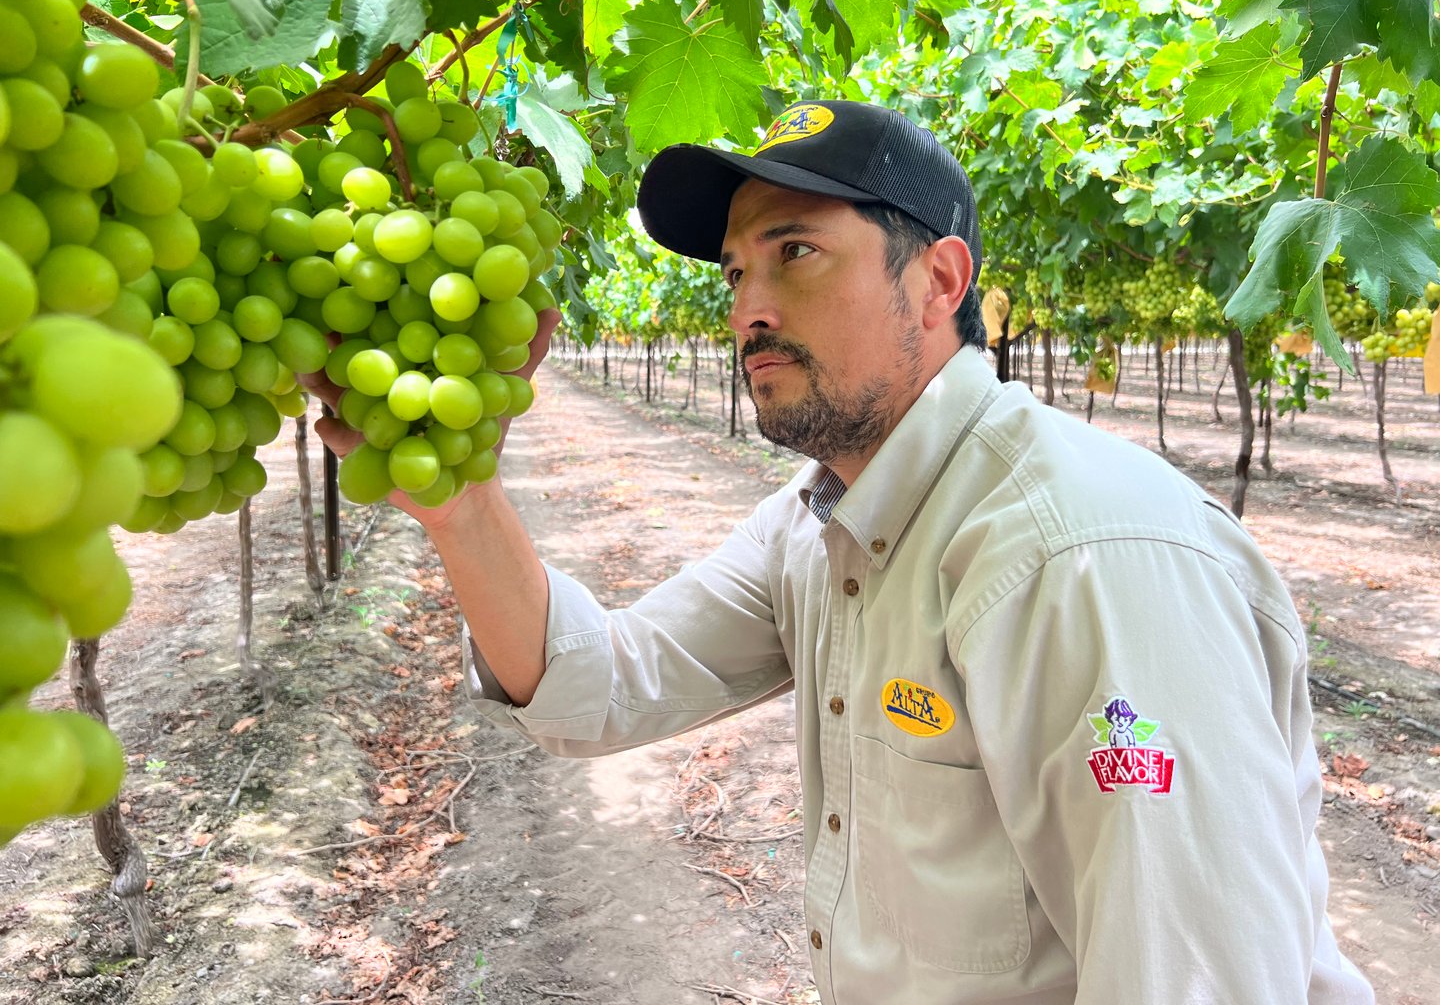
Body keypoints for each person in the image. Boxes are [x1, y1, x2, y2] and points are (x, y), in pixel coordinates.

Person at [309, 100, 1374, 1003]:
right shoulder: (820, 519)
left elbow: (1195, 976)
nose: (750, 310)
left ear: (939, 281)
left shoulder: (1077, 559)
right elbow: (605, 688)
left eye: (797, 253)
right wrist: (460, 503)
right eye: (734, 274)